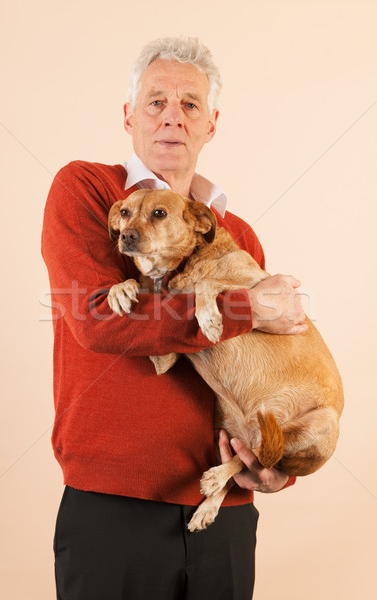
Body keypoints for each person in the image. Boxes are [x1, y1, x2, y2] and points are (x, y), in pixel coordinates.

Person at [42, 36, 307, 600]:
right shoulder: (88, 191)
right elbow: (97, 321)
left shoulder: (238, 237)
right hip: (114, 512)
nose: (172, 117)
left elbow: (254, 369)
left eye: (190, 104)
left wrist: (274, 459)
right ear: (128, 115)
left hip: (225, 511)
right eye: (155, 100)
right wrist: (247, 306)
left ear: (211, 124)